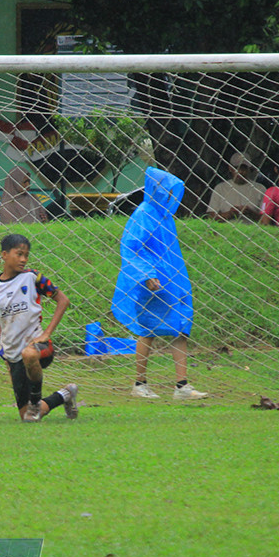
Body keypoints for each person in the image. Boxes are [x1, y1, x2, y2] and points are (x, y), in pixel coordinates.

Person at [112, 167, 209, 400]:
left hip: (172, 280)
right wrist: (147, 274)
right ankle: (139, 384)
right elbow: (131, 246)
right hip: (151, 282)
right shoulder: (144, 213)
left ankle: (182, 387)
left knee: (180, 327)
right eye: (165, 190)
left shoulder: (165, 216)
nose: (169, 194)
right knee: (148, 330)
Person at [0, 233, 77, 422]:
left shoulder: (33, 277)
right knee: (27, 417)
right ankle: (66, 394)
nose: (23, 259)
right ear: (4, 255)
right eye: (19, 254)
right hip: (12, 352)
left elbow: (63, 301)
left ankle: (35, 400)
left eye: (26, 255)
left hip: (40, 347)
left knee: (29, 354)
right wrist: (3, 347)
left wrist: (46, 334)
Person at [207, 152, 265, 222]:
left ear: (249, 169)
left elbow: (266, 218)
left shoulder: (260, 189)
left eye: (244, 168)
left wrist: (251, 213)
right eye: (237, 168)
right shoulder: (220, 188)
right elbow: (211, 216)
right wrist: (230, 214)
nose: (240, 172)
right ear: (230, 168)